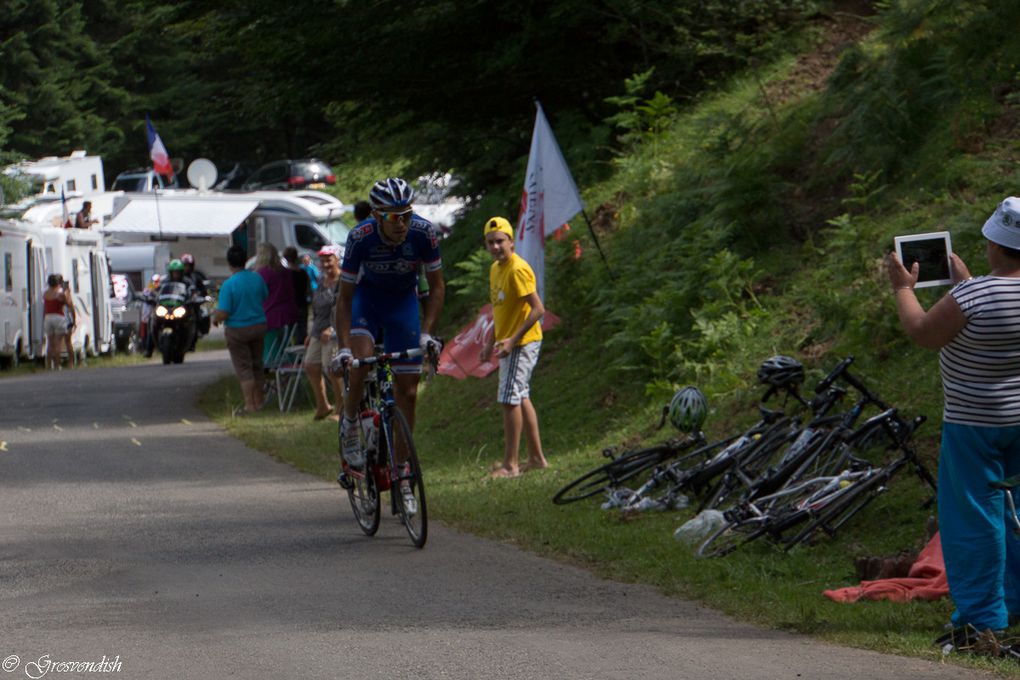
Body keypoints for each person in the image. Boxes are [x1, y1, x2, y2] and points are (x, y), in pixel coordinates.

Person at [887, 196, 1020, 634]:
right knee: (1015, 512)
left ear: (996, 246)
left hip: (973, 427)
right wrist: (967, 284)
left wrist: (903, 288)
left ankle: (983, 618)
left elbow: (925, 332)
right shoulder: (977, 290)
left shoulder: (974, 294)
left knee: (974, 518)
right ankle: (1015, 602)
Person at [332, 177, 445, 497]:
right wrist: (342, 348)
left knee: (407, 392)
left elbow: (436, 287)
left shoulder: (424, 233)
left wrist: (427, 333)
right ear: (377, 216)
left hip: (402, 305)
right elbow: (344, 297)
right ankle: (350, 421)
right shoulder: (360, 237)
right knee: (361, 361)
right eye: (395, 217)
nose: (403, 223)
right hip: (365, 303)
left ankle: (402, 470)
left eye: (407, 214)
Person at [479, 217, 548, 478]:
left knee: (509, 399)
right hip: (507, 342)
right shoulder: (496, 269)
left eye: (500, 241)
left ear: (511, 242)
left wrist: (512, 340)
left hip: (522, 342)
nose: (496, 247)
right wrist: (489, 343)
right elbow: (500, 310)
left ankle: (511, 465)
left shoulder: (517, 269)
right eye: (491, 242)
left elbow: (538, 309)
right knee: (520, 396)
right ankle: (537, 459)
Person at [213, 246, 268, 413]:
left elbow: (224, 311)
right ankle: (259, 402)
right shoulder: (257, 278)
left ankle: (249, 405)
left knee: (244, 368)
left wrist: (215, 319)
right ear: (245, 261)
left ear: (230, 264)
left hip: (237, 330)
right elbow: (265, 296)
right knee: (257, 365)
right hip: (258, 326)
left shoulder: (229, 284)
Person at [304, 245, 343, 421]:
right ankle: (323, 405)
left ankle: (341, 409)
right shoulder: (321, 281)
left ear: (337, 260)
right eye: (323, 260)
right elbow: (315, 308)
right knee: (311, 365)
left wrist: (333, 329)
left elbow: (346, 309)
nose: (326, 263)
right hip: (318, 330)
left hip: (335, 331)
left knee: (333, 369)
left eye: (329, 259)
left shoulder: (343, 281)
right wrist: (310, 332)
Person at [255, 242, 298, 363]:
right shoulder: (285, 271)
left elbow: (258, 296)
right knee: (286, 346)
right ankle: (289, 372)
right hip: (289, 314)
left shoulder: (262, 274)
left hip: (270, 316)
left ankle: (273, 377)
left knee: (270, 350)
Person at [283, 246, 311, 345]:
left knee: (291, 334)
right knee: (303, 332)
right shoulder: (303, 273)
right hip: (303, 304)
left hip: (290, 306)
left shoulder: (285, 274)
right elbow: (308, 290)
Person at [42, 274, 69, 370]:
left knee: (50, 342)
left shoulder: (45, 294)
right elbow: (67, 303)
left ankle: (48, 365)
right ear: (58, 283)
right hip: (58, 317)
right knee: (58, 343)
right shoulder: (60, 294)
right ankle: (57, 365)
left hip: (48, 317)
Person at [58, 275, 77, 368]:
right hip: (66, 319)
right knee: (67, 342)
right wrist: (74, 320)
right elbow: (71, 306)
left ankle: (59, 364)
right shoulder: (65, 292)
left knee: (59, 342)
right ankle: (71, 363)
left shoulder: (53, 292)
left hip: (60, 320)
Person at [140, 274, 160, 358]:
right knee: (145, 333)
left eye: (157, 282)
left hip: (157, 315)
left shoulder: (162, 290)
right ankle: (146, 349)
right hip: (147, 316)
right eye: (154, 282)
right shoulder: (148, 290)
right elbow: (146, 295)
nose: (155, 284)